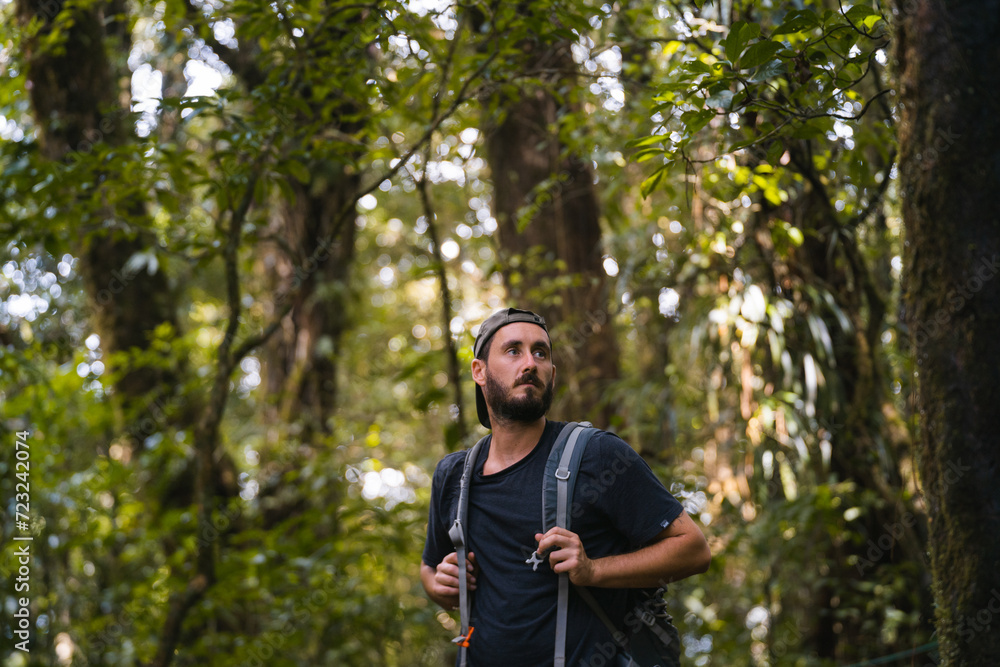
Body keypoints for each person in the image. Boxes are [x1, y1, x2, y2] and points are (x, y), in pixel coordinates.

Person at [421, 307, 711, 666]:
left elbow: (693, 550)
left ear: (552, 374)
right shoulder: (454, 477)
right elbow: (430, 567)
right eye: (513, 351)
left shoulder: (597, 454)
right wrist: (441, 585)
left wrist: (593, 570)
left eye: (540, 353)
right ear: (479, 371)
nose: (530, 363)